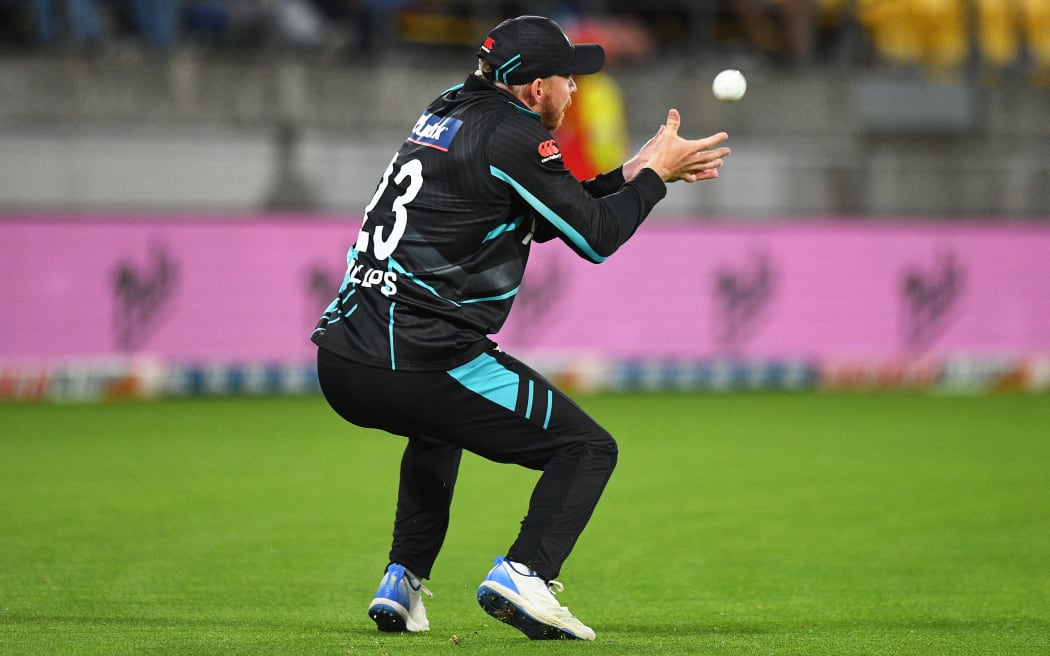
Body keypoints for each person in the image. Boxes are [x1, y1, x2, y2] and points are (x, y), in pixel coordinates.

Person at [312, 15, 730, 641]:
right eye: (568, 79)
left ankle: (402, 579)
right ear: (535, 88)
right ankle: (525, 572)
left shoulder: (448, 111)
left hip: (343, 359)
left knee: (436, 430)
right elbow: (594, 236)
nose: (575, 91)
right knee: (587, 449)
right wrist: (650, 184)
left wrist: (640, 170)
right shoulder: (515, 135)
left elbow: (547, 210)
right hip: (421, 357)